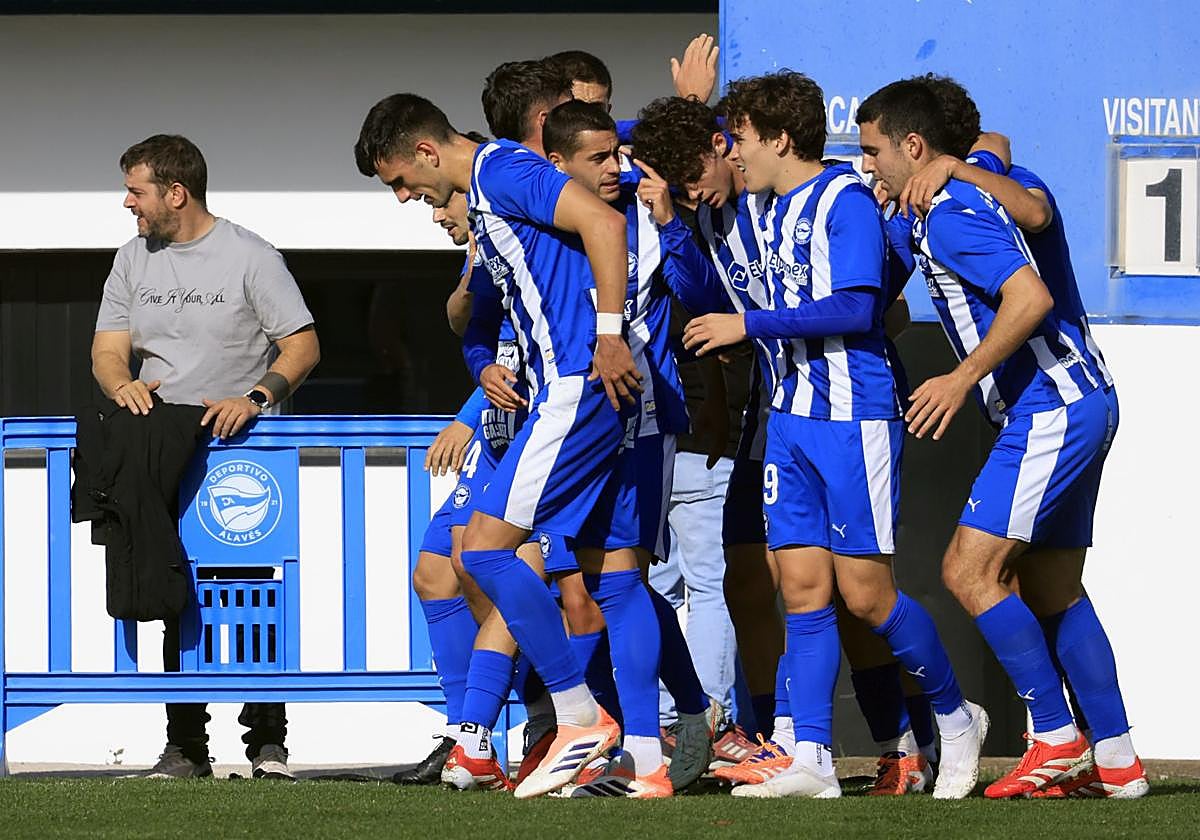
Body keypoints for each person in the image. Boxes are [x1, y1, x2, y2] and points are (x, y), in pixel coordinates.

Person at [677, 71, 983, 800]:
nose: (735, 152)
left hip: (854, 417)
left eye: (743, 137)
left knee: (868, 597)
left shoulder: (844, 198)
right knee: (804, 592)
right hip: (789, 422)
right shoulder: (762, 208)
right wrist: (693, 115)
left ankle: (957, 714)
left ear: (781, 138)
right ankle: (811, 756)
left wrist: (745, 325)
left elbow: (854, 307)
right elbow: (678, 165)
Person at [857, 78, 1147, 800]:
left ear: (916, 146)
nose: (868, 167)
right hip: (1079, 397)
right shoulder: (949, 193)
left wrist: (959, 379)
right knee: (1053, 587)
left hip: (1053, 403)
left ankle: (1053, 737)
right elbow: (1002, 161)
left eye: (873, 151)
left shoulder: (953, 208)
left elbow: (1031, 297)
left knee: (967, 570)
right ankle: (1119, 762)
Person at [354, 92, 647, 800]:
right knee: (501, 555)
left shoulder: (499, 171)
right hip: (559, 388)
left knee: (493, 554)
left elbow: (605, 219)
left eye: (400, 180)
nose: (404, 197)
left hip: (578, 382)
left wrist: (609, 335)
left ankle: (581, 720)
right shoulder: (488, 192)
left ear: (426, 151)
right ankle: (561, 723)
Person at [91, 134, 319, 780]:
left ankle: (266, 743)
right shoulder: (132, 259)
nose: (127, 202)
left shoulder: (251, 256)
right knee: (171, 583)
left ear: (176, 192)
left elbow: (301, 345)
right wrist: (122, 385)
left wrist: (255, 396)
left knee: (251, 593)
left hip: (240, 448)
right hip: (160, 441)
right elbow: (107, 350)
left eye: (136, 190)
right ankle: (184, 744)